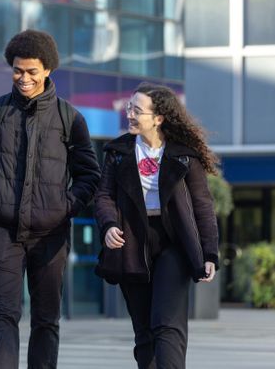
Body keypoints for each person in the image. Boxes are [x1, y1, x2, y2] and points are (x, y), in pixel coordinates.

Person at [0, 29, 101, 368]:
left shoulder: (71, 118)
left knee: (46, 320)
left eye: (32, 72)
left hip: (50, 236)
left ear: (48, 70)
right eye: (18, 70)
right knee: (4, 314)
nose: (23, 78)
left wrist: (64, 207)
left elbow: (89, 176)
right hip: (5, 233)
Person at [94, 82, 220, 369]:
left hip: (173, 242)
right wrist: (109, 225)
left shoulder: (184, 155)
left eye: (137, 110)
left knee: (166, 323)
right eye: (129, 107)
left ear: (158, 118)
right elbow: (104, 195)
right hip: (132, 242)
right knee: (144, 330)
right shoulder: (118, 152)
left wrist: (210, 252)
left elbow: (202, 204)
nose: (130, 114)